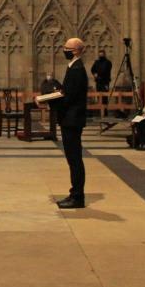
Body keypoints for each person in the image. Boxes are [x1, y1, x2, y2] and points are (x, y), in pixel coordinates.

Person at [54, 37, 88, 208]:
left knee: (74, 159)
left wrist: (51, 101)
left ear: (75, 51)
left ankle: (77, 197)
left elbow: (69, 98)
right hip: (71, 119)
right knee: (73, 159)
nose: (64, 50)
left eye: (66, 48)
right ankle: (74, 193)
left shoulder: (77, 69)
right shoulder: (74, 67)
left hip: (72, 120)